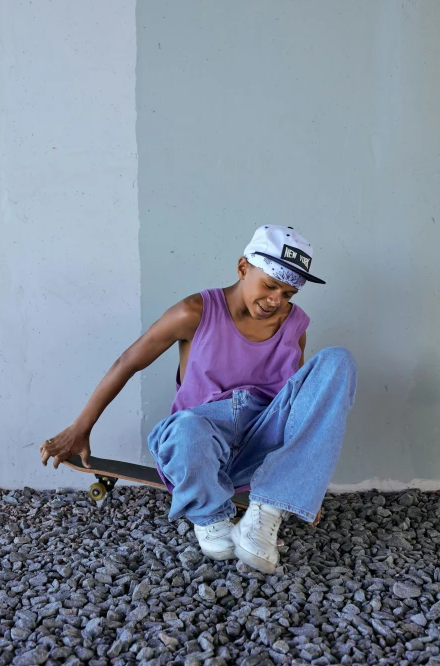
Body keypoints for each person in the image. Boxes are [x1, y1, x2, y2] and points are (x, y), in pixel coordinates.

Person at [40, 224, 357, 573]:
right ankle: (211, 515)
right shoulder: (196, 311)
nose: (276, 301)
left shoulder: (294, 325)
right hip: (197, 446)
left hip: (258, 451)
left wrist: (301, 477)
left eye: (288, 294)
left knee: (337, 361)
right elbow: (127, 362)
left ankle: (268, 510)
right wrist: (80, 428)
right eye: (269, 286)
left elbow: (300, 410)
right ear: (242, 268)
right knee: (186, 427)